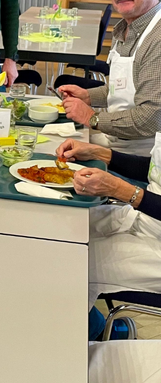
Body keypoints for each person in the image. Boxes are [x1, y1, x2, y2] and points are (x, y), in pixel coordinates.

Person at [56, 136, 161, 339]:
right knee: (60, 228)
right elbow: (155, 168)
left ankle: (96, 333)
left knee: (69, 262)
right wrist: (99, 153)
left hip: (156, 246)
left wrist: (121, 190)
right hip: (145, 217)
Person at [59, 0, 161, 156]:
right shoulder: (125, 27)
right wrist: (89, 96)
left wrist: (92, 118)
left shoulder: (156, 38)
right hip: (118, 143)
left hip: (144, 159)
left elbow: (151, 118)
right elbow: (124, 90)